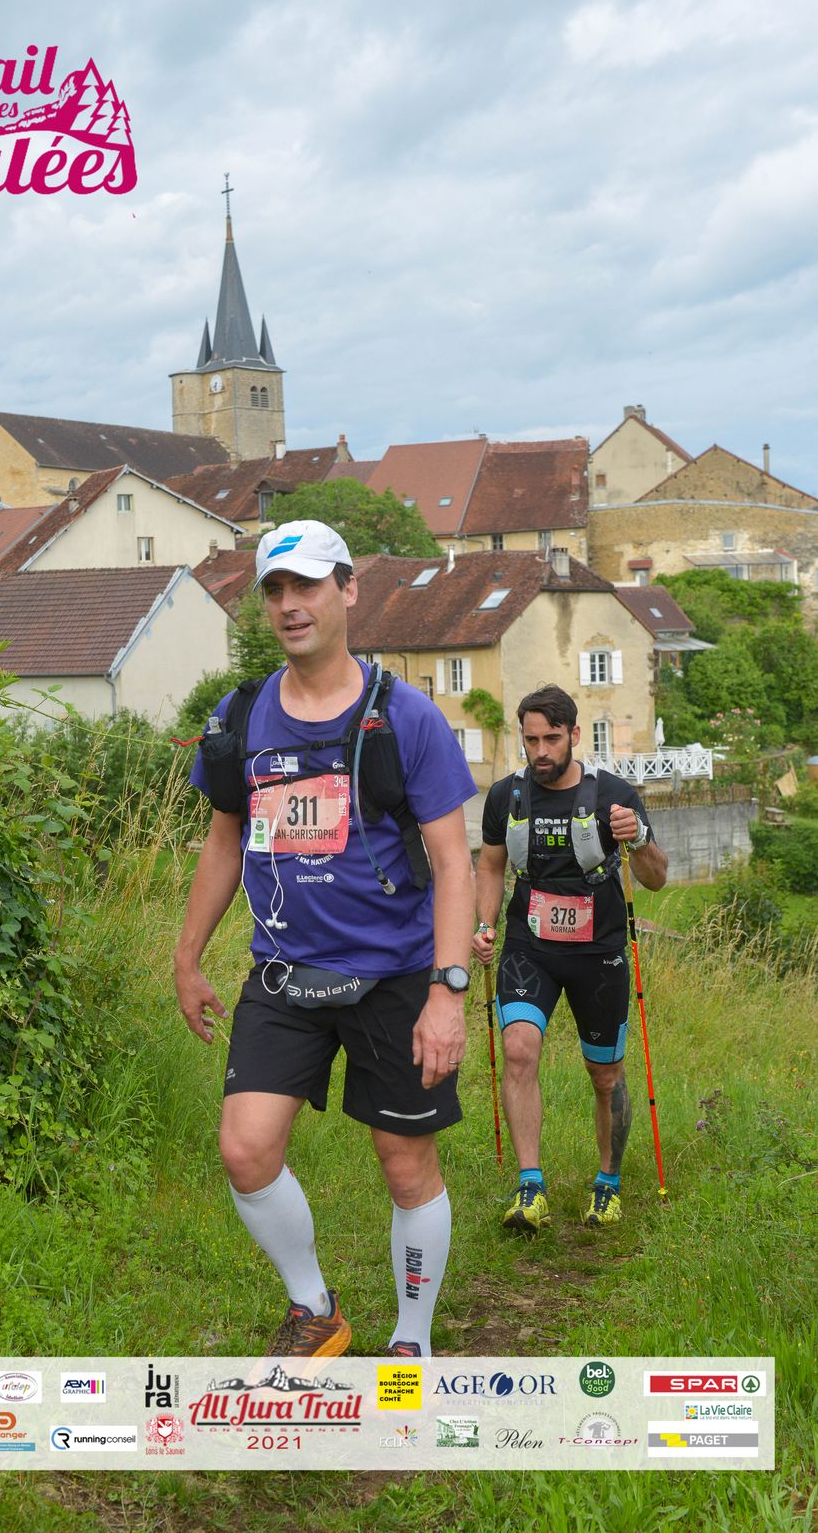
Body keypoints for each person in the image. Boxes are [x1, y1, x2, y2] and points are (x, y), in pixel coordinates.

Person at [174, 520, 477, 1357]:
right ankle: (316, 1308)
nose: (289, 605)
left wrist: (448, 993)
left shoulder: (406, 718)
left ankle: (411, 1340)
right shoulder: (240, 716)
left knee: (405, 1165)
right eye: (274, 590)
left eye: (306, 585)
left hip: (395, 976)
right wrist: (187, 957)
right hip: (284, 974)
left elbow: (454, 865)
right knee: (245, 1150)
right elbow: (224, 843)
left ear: (348, 589)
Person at [472, 684, 667, 1230]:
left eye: (551, 739)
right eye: (531, 739)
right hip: (528, 947)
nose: (540, 751)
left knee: (604, 1076)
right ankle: (529, 1187)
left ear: (575, 735)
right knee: (519, 1050)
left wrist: (639, 838)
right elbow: (490, 865)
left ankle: (607, 1183)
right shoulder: (505, 797)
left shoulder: (614, 795)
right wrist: (484, 925)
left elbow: (656, 878)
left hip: (598, 952)